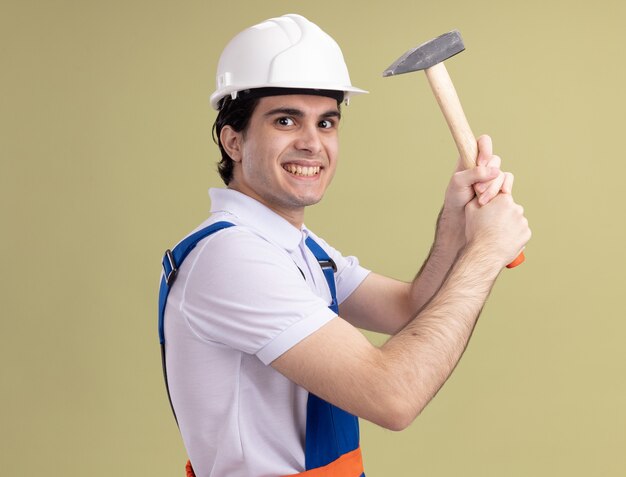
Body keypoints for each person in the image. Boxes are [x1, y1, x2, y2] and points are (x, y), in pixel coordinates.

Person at [158, 13, 531, 477]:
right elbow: (394, 396)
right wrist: (486, 253)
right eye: (286, 120)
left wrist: (455, 225)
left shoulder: (296, 247)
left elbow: (411, 310)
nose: (312, 143)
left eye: (327, 122)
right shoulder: (231, 258)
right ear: (233, 140)